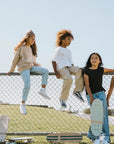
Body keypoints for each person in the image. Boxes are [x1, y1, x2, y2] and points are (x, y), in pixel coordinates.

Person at [7, 30, 50, 115]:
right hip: (23, 68)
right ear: (27, 38)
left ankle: (43, 90)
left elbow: (33, 61)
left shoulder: (31, 49)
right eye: (31, 38)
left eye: (34, 39)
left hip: (31, 67)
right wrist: (12, 70)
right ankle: (22, 104)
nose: (33, 40)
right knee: (27, 85)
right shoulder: (21, 48)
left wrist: (37, 65)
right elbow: (15, 60)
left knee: (46, 71)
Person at [83, 52, 114, 144]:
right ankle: (94, 137)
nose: (94, 59)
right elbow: (87, 85)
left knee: (103, 115)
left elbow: (112, 70)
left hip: (101, 94)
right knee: (96, 116)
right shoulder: (86, 71)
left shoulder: (101, 70)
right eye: (92, 58)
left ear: (99, 61)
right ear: (90, 60)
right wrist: (91, 97)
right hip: (90, 95)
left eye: (96, 58)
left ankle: (106, 138)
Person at [52, 29, 84, 108]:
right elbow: (53, 61)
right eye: (68, 39)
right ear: (62, 39)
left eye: (70, 40)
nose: (70, 41)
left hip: (69, 67)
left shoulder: (69, 51)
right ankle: (63, 100)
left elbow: (71, 62)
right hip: (62, 68)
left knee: (80, 70)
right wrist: (56, 72)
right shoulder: (59, 49)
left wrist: (74, 70)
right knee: (69, 80)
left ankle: (77, 91)